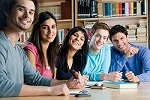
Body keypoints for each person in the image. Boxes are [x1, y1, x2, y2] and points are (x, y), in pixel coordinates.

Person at [0, 0, 85, 97]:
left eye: (31, 12)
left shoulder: (18, 50)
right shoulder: (1, 43)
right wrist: (50, 90)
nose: (27, 15)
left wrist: (68, 83)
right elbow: (1, 86)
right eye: (21, 9)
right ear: (6, 11)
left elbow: (36, 79)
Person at [24, 11, 59, 79]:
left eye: (53, 27)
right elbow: (33, 80)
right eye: (45, 27)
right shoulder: (31, 50)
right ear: (38, 30)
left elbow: (52, 80)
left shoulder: (53, 52)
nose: (50, 31)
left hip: (48, 89)